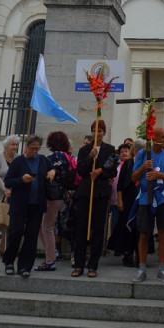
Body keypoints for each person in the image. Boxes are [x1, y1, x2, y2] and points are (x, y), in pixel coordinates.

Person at [3, 134, 56, 277]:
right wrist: (22, 180)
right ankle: (9, 262)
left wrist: (52, 172)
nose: (34, 152)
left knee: (31, 236)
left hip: (36, 205)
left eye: (37, 149)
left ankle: (25, 266)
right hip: (19, 204)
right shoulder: (18, 162)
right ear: (26, 147)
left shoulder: (43, 160)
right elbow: (8, 182)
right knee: (15, 232)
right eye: (32, 148)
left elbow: (52, 169)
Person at [131, 126, 164, 283]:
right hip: (145, 198)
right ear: (155, 138)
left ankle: (162, 269)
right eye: (163, 137)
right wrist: (144, 167)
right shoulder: (143, 154)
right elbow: (133, 177)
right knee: (144, 233)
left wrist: (160, 175)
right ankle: (142, 268)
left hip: (162, 198)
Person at [72, 119, 117, 278]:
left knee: (98, 228)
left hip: (101, 192)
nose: (96, 134)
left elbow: (112, 170)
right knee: (81, 228)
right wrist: (90, 158)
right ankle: (78, 264)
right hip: (85, 191)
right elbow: (81, 171)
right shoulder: (84, 149)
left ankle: (93, 265)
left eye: (99, 131)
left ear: (103, 132)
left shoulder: (110, 150)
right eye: (94, 131)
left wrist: (100, 171)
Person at [36, 130, 75, 271]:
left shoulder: (53, 157)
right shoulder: (68, 157)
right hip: (63, 196)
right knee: (45, 225)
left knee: (47, 227)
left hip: (52, 195)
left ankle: (50, 259)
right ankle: (51, 252)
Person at [107, 142, 137, 266]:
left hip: (139, 200)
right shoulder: (126, 164)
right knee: (122, 225)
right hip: (126, 199)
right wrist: (120, 200)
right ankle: (125, 252)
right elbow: (120, 185)